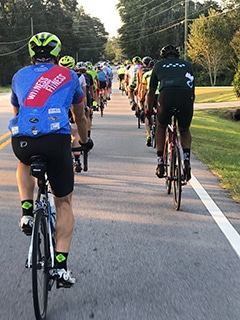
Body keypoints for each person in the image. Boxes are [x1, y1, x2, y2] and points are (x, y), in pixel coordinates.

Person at [8, 32, 93, 288]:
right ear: (57, 54)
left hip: (23, 140)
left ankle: (26, 211)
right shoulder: (69, 76)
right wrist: (85, 141)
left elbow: (18, 111)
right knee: (64, 202)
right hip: (56, 141)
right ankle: (60, 266)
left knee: (23, 161)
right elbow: (80, 117)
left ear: (31, 55)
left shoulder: (18, 76)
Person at [147, 44, 195, 181]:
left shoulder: (158, 66)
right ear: (177, 56)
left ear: (163, 56)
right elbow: (192, 89)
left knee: (161, 126)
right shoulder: (187, 65)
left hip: (166, 96)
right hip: (185, 97)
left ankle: (160, 163)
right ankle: (186, 160)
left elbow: (151, 92)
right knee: (184, 130)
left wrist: (149, 110)